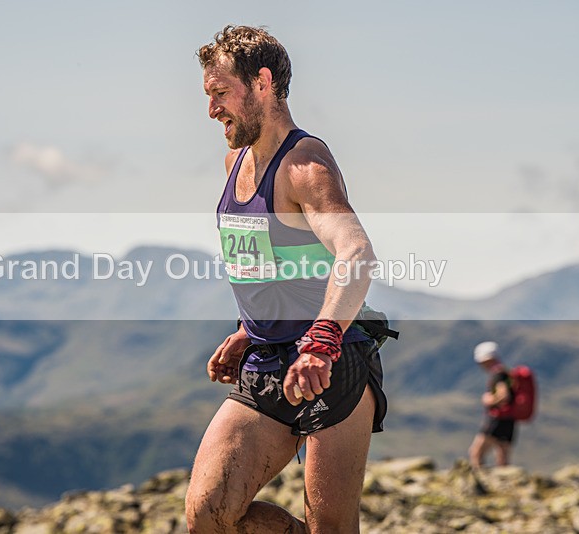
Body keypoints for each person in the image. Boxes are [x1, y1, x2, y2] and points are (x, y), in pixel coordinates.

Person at [186, 25, 387, 533]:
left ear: (262, 83)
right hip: (267, 360)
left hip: (330, 365)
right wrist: (245, 329)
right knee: (208, 517)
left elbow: (355, 252)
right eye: (208, 95)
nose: (212, 109)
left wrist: (321, 342)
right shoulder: (235, 161)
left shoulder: (305, 165)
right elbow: (264, 259)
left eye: (220, 92)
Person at [468, 341, 516, 469]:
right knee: (502, 455)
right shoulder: (505, 373)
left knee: (476, 452)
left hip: (497, 419)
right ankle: (505, 482)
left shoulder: (498, 375)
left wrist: (489, 400)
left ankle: (479, 480)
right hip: (509, 419)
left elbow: (504, 396)